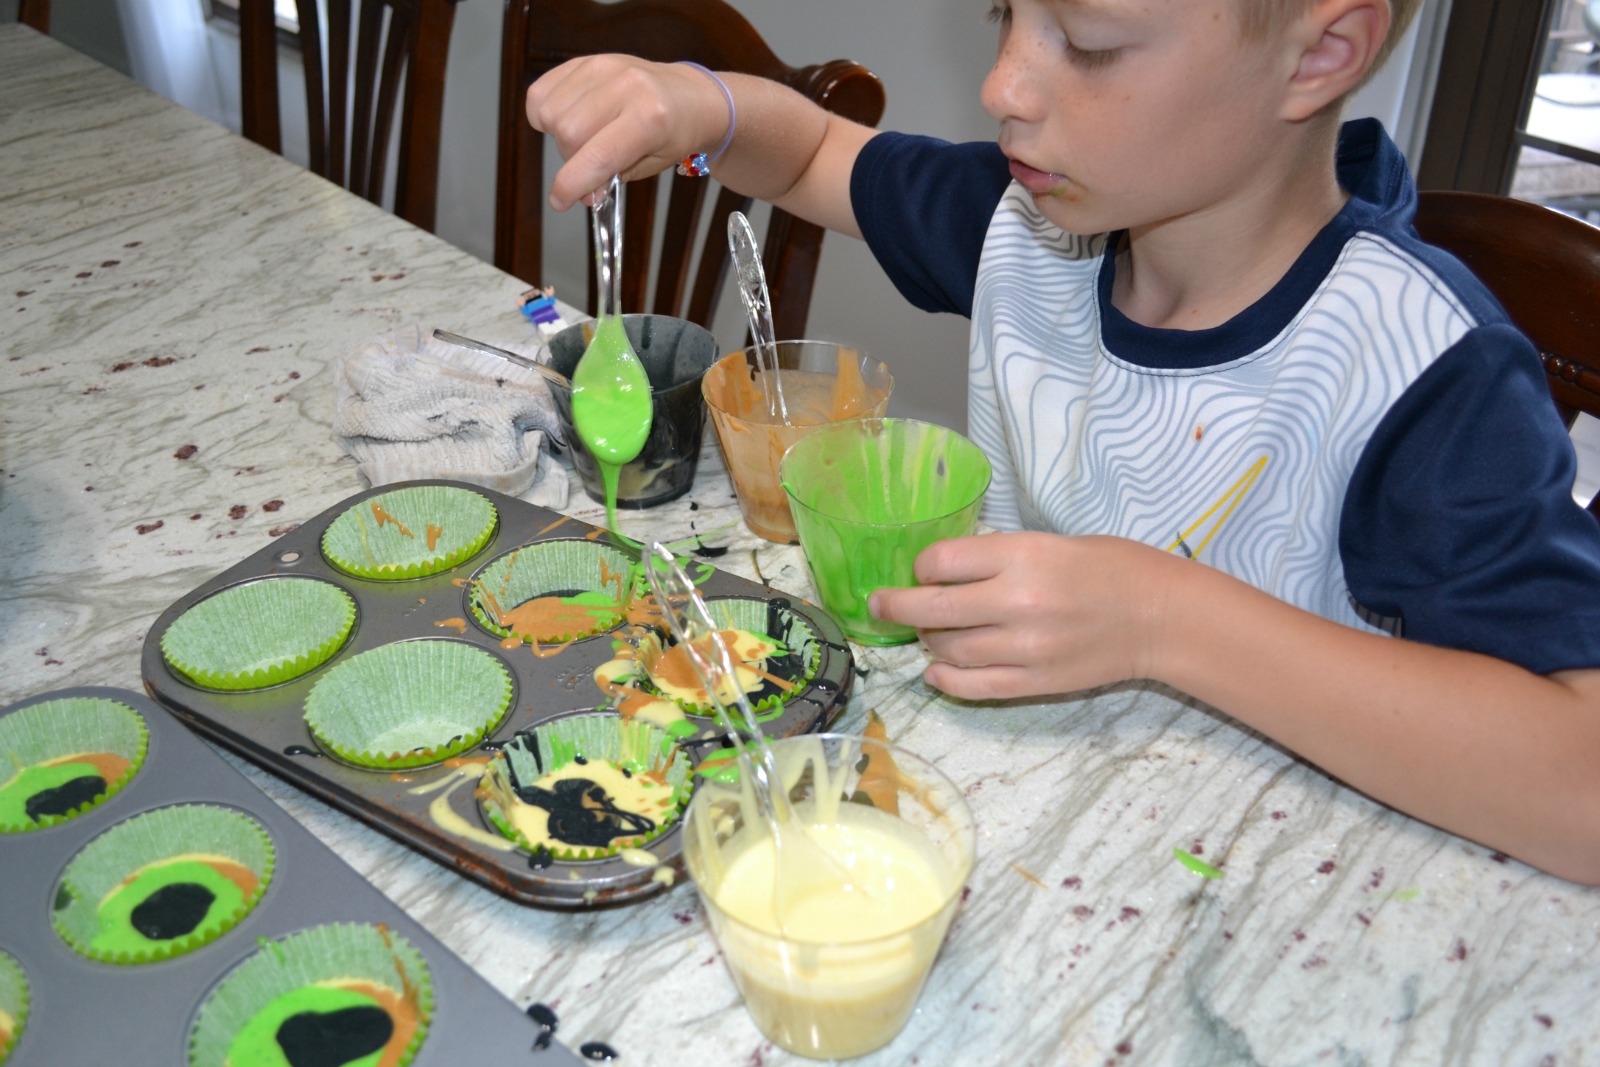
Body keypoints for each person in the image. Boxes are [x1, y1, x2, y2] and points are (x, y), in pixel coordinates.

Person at [526, 0, 1600, 884]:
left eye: (1085, 43)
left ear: (1319, 54)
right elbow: (807, 148)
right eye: (1004, 14)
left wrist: (1160, 621)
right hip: (1023, 849)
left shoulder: (1421, 366)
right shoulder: (1029, 225)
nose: (1003, 86)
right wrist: (697, 103)